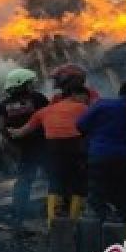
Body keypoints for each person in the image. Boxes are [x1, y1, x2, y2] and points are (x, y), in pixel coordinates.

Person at [11, 77, 92, 226]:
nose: (86, 101)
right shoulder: (83, 108)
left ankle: (51, 222)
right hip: (76, 146)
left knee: (56, 182)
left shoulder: (44, 111)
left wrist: (8, 131)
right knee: (79, 183)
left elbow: (20, 132)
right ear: (75, 95)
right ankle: (74, 221)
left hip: (53, 147)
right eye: (84, 98)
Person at [77, 79, 126, 221]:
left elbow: (80, 124)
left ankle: (99, 228)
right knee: (122, 192)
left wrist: (95, 134)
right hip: (124, 157)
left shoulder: (102, 104)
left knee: (96, 193)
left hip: (98, 154)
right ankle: (122, 228)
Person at [0, 68, 49, 229]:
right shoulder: (37, 98)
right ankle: (55, 211)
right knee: (54, 178)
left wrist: (12, 142)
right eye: (29, 83)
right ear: (22, 84)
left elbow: (1, 127)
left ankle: (18, 214)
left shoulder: (3, 105)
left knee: (24, 181)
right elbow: (49, 116)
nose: (32, 85)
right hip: (44, 144)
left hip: (24, 148)